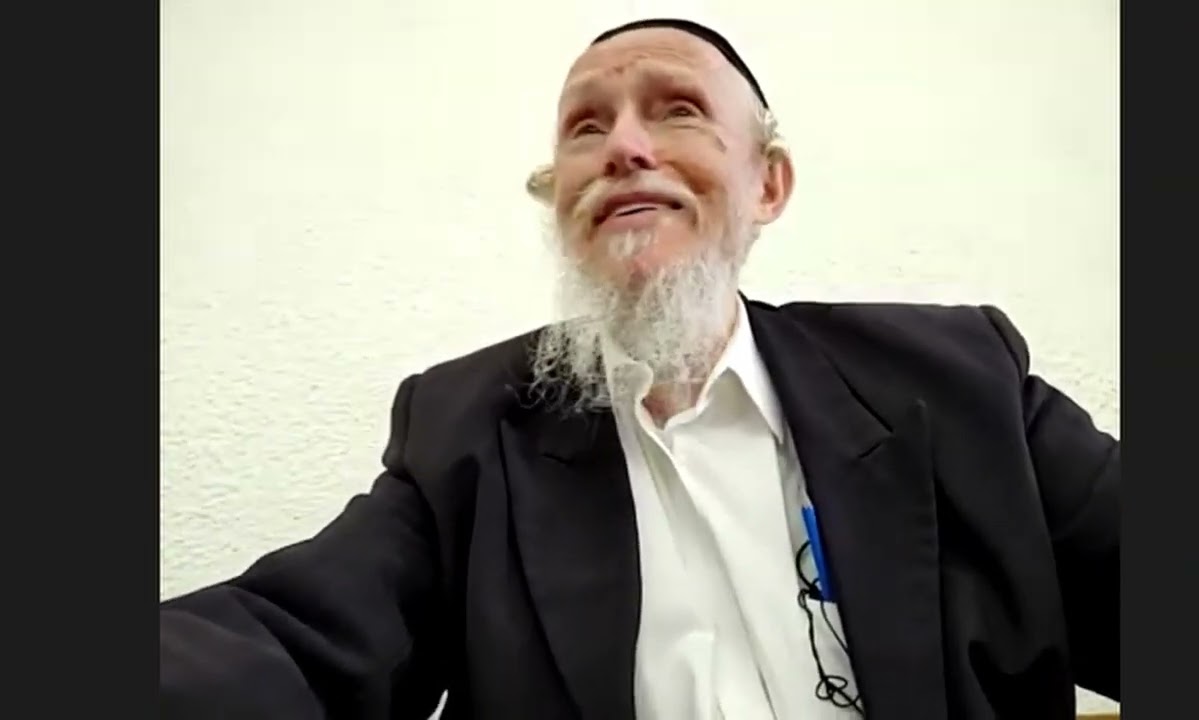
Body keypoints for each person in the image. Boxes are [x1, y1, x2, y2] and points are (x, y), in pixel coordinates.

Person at [160, 18, 1119, 720]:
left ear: (767, 183)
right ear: (562, 203)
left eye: (679, 110)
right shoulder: (466, 432)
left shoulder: (955, 383)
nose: (623, 146)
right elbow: (301, 642)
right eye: (586, 128)